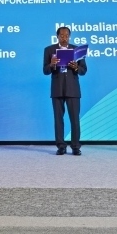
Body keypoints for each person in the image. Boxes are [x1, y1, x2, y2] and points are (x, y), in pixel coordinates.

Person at [43, 26, 87, 155]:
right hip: (57, 89)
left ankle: (75, 146)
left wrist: (76, 67)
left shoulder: (77, 50)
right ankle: (61, 146)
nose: (64, 38)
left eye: (66, 35)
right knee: (58, 119)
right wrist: (52, 64)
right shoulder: (49, 50)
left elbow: (83, 71)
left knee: (75, 119)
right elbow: (45, 71)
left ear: (69, 36)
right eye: (61, 35)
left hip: (73, 90)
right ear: (57, 36)